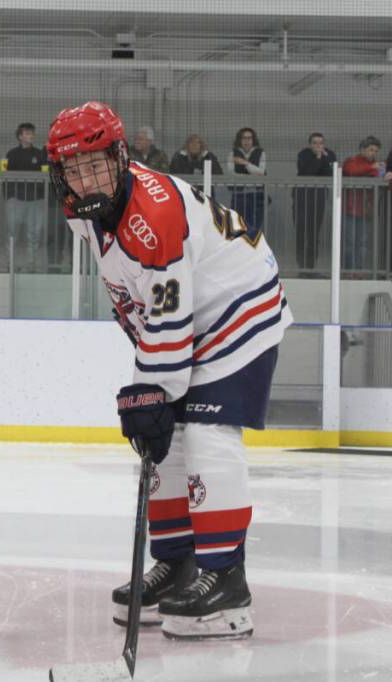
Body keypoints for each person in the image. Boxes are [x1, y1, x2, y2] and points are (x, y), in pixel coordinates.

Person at [47, 101, 292, 641]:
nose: (87, 179)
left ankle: (227, 581)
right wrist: (151, 396)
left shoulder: (152, 213)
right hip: (189, 315)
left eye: (96, 164)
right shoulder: (83, 213)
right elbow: (135, 300)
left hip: (238, 304)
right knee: (167, 442)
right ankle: (178, 562)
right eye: (74, 169)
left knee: (205, 435)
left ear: (119, 156)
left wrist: (153, 389)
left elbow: (169, 314)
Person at [2, 122, 49, 269]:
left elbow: (45, 174)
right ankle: (10, 263)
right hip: (16, 200)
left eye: (32, 133)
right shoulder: (11, 154)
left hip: (35, 200)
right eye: (27, 134)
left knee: (34, 233)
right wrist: (9, 196)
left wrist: (41, 194)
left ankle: (31, 263)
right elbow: (4, 175)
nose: (31, 136)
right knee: (12, 231)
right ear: (20, 137)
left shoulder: (40, 154)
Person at [293, 133, 337, 272]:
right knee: (301, 233)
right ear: (310, 144)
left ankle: (311, 267)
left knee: (313, 235)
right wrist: (318, 157)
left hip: (318, 201)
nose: (318, 146)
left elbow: (330, 174)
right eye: (315, 143)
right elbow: (307, 173)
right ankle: (301, 267)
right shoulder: (303, 154)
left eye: (320, 143)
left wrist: (324, 158)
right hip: (301, 200)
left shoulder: (329, 155)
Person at [342, 136, 383, 273]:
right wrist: (371, 168)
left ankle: (358, 271)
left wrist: (374, 169)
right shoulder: (351, 161)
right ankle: (348, 271)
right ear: (362, 150)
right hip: (350, 209)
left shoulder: (376, 166)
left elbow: (379, 176)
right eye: (371, 150)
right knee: (349, 243)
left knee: (362, 244)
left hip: (366, 211)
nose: (373, 153)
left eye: (376, 151)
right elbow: (352, 171)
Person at [226, 127, 267, 231]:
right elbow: (231, 174)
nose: (246, 141)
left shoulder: (260, 153)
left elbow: (261, 172)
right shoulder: (233, 153)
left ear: (253, 140)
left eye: (249, 138)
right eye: (244, 138)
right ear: (239, 140)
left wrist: (246, 163)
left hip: (257, 195)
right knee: (238, 226)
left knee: (254, 226)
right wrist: (251, 178)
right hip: (239, 194)